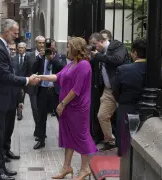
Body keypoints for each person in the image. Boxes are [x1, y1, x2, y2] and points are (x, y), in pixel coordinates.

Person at [0, 19, 40, 180]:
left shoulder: (2, 46)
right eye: (15, 32)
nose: (16, 35)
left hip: (1, 99)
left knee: (0, 136)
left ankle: (1, 168)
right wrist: (27, 80)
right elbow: (6, 76)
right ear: (6, 31)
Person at [36, 37, 97, 180]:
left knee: (82, 137)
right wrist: (40, 77)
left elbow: (76, 90)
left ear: (76, 48)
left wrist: (62, 103)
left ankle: (85, 169)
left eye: (69, 46)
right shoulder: (71, 64)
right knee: (67, 135)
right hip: (68, 108)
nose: (67, 49)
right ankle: (66, 167)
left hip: (78, 108)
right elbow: (57, 77)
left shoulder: (84, 65)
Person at [89, 32, 129, 150]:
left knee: (123, 117)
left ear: (101, 41)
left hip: (121, 89)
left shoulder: (116, 46)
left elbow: (118, 59)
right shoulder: (99, 53)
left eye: (95, 44)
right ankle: (110, 140)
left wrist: (98, 56)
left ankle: (125, 143)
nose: (94, 47)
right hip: (108, 90)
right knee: (102, 115)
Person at [113, 38, 147, 158]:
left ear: (135, 53)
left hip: (126, 107)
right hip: (147, 110)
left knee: (124, 142)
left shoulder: (123, 70)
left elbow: (115, 91)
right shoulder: (157, 70)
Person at [32, 42, 65, 149]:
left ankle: (65, 139)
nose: (48, 51)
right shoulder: (41, 59)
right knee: (41, 116)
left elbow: (63, 69)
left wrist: (52, 59)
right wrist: (39, 57)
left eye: (50, 48)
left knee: (60, 116)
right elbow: (33, 70)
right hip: (42, 90)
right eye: (46, 49)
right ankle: (41, 140)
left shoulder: (59, 57)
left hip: (54, 92)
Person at [3, 42, 25, 162]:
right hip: (4, 100)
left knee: (10, 127)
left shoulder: (16, 62)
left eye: (13, 49)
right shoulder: (2, 62)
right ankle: (2, 153)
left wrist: (20, 101)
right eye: (9, 49)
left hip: (14, 99)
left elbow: (19, 83)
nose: (12, 51)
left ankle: (7, 149)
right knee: (4, 128)